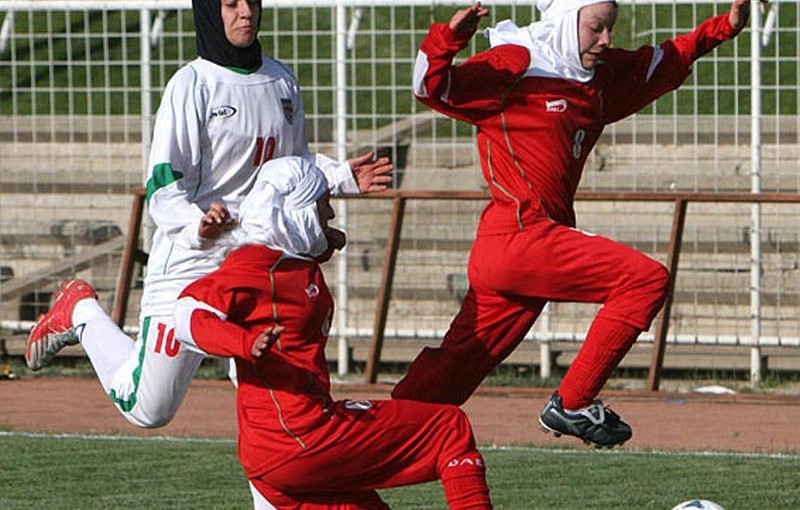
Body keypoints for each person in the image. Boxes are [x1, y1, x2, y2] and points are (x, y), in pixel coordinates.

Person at [391, 0, 760, 447]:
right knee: (644, 281)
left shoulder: (598, 77)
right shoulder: (516, 62)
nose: (606, 40)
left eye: (611, 29)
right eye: (595, 27)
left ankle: (366, 443)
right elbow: (429, 87)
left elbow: (667, 58)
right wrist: (449, 40)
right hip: (523, 235)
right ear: (566, 21)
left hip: (518, 250)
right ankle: (572, 403)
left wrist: (726, 26)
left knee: (446, 378)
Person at [24, 0, 392, 429]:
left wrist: (341, 177)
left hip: (255, 260)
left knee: (275, 402)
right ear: (207, 11)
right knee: (150, 409)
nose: (246, 13)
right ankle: (80, 312)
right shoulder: (191, 84)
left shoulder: (282, 79)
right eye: (231, 4)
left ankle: (277, 493)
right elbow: (163, 187)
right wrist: (197, 225)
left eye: (252, 2)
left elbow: (294, 167)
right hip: (191, 259)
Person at [173, 156, 493, 510]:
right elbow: (187, 316)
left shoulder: (286, 258)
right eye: (323, 204)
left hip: (275, 460)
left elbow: (293, 273)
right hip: (303, 437)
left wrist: (326, 241)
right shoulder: (255, 263)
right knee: (447, 426)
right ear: (299, 210)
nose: (330, 214)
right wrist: (244, 343)